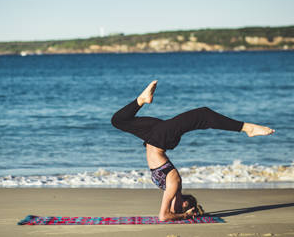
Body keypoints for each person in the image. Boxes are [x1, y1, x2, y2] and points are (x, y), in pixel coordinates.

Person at [111, 80, 274, 221]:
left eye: (177, 209)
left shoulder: (169, 189)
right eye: (181, 206)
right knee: (204, 114)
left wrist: (185, 215)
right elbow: (165, 215)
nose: (174, 206)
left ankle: (142, 99)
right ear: (185, 202)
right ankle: (248, 128)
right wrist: (186, 214)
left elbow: (163, 216)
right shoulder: (174, 184)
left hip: (154, 137)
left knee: (118, 121)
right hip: (161, 139)